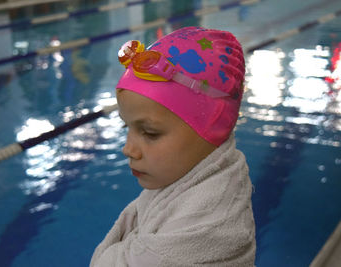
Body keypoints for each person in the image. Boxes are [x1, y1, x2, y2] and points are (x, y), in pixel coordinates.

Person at [90, 26, 256, 266]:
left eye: (150, 133)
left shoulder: (209, 222)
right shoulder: (183, 179)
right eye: (128, 128)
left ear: (214, 123)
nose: (128, 149)